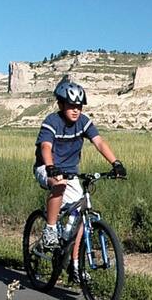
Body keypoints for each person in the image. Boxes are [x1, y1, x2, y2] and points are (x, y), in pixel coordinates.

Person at [34, 79, 125, 250]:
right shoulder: (52, 121)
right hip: (46, 167)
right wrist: (50, 167)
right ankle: (50, 230)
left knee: (81, 212)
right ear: (61, 105)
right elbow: (46, 146)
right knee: (59, 184)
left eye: (79, 106)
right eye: (71, 106)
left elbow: (99, 142)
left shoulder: (83, 121)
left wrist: (116, 163)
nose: (76, 110)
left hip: (71, 173)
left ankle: (74, 260)